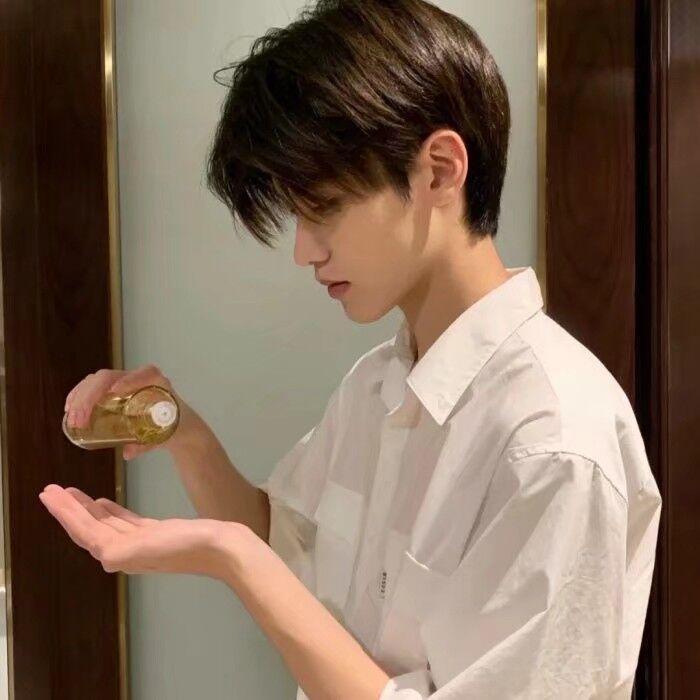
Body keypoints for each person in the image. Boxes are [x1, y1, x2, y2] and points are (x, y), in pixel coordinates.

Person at [44, 1, 661, 698]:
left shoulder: (552, 442)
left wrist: (233, 557)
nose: (304, 250)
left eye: (324, 206)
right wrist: (183, 433)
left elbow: (259, 559)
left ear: (439, 171)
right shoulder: (379, 384)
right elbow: (286, 545)